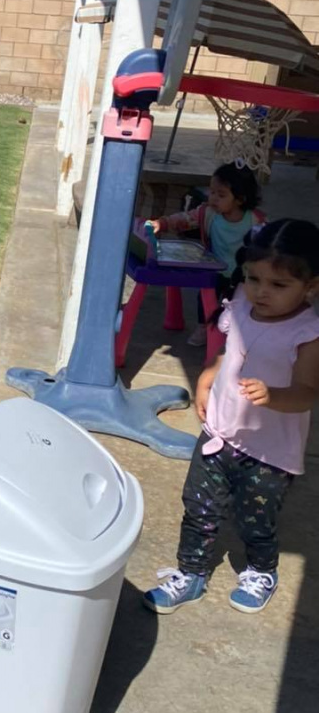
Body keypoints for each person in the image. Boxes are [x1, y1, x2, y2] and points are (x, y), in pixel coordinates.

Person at [144, 219, 319, 616]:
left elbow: (308, 392)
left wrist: (274, 396)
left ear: (311, 286)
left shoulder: (308, 332)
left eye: (278, 285)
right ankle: (191, 573)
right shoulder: (241, 304)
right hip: (219, 434)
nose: (261, 291)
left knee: (256, 517)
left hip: (268, 452)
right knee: (198, 507)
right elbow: (230, 351)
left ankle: (261, 569)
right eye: (253, 278)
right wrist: (208, 375)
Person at [146, 161, 266, 347]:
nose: (213, 198)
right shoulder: (208, 213)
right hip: (215, 268)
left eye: (221, 195)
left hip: (243, 274)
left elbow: (269, 242)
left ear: (240, 199)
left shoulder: (255, 220)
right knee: (205, 299)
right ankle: (204, 327)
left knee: (239, 305)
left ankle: (238, 335)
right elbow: (184, 219)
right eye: (212, 192)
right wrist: (162, 223)